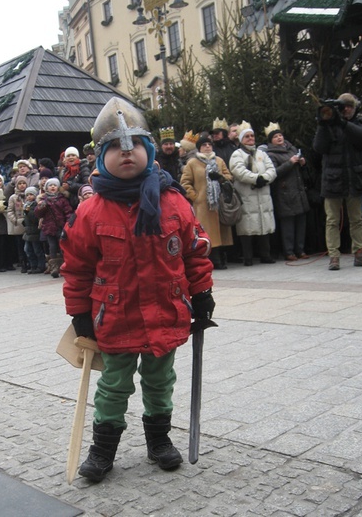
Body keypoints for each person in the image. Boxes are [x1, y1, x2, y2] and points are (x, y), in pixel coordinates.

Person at [60, 97, 214, 482]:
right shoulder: (91, 211)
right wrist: (79, 312)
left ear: (148, 151)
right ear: (100, 157)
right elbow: (76, 267)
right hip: (115, 316)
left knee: (160, 381)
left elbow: (195, 253)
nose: (125, 153)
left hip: (165, 311)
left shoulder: (174, 202)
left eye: (133, 146)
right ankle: (103, 449)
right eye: (114, 147)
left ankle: (159, 440)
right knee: (113, 385)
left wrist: (202, 293)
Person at [313, 93, 362, 270]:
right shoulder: (328, 126)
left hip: (354, 178)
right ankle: (334, 256)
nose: (347, 110)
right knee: (332, 220)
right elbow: (319, 147)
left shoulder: (359, 123)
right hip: (333, 179)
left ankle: (359, 252)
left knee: (356, 219)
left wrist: (342, 123)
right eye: (344, 107)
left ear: (355, 107)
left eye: (350, 106)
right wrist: (324, 123)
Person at [181, 136, 234, 269]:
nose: (207, 147)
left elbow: (229, 177)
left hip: (219, 202)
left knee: (220, 231)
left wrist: (220, 177)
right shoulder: (192, 163)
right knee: (207, 233)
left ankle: (222, 258)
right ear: (199, 147)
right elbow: (185, 182)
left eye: (209, 144)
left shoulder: (219, 160)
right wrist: (195, 197)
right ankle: (213, 260)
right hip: (203, 205)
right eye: (204, 145)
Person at [229, 123, 277, 266]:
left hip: (262, 195)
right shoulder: (237, 154)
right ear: (242, 139)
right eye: (247, 136)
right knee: (246, 227)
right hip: (246, 195)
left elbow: (271, 170)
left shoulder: (262, 154)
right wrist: (256, 179)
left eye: (252, 136)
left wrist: (264, 179)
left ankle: (265, 255)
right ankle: (248, 256)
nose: (250, 139)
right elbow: (238, 171)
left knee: (263, 224)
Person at [265, 123, 310, 261]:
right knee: (288, 224)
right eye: (275, 136)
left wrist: (302, 163)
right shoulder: (270, 154)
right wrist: (290, 163)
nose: (279, 138)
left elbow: (303, 172)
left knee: (301, 222)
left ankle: (300, 249)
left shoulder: (292, 149)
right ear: (271, 140)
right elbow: (274, 173)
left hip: (298, 191)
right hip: (284, 193)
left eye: (280, 135)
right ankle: (289, 251)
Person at [35, 178, 73, 278]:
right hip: (49, 227)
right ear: (46, 188)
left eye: (54, 185)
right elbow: (38, 214)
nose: (52, 187)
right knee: (52, 246)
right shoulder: (43, 200)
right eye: (50, 185)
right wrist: (41, 207)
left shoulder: (62, 199)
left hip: (61, 226)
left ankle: (65, 265)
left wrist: (69, 222)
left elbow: (68, 212)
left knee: (62, 246)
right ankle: (54, 266)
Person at [7, 175, 29, 273]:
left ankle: (30, 262)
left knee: (29, 245)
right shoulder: (13, 197)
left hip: (28, 223)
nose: (22, 185)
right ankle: (23, 263)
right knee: (20, 246)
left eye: (24, 183)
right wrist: (14, 220)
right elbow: (10, 210)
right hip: (18, 224)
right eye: (19, 183)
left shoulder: (30, 194)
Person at [22, 187, 46, 274]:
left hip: (35, 231)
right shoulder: (26, 205)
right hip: (28, 232)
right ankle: (33, 265)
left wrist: (28, 213)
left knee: (37, 250)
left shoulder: (35, 205)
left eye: (31, 194)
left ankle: (40, 266)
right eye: (27, 195)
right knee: (27, 250)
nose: (29, 197)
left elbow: (35, 218)